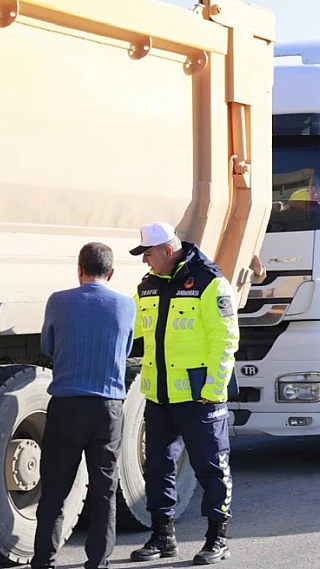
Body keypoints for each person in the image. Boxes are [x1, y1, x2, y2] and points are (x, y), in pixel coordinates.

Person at [127, 222, 238, 565]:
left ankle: (218, 538)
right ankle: (163, 537)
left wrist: (214, 389)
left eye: (147, 253)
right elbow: (129, 328)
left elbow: (226, 339)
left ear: (166, 249)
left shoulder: (208, 281)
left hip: (199, 394)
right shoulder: (147, 287)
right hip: (159, 395)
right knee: (158, 466)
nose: (145, 261)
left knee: (211, 466)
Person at [30, 243, 135, 569]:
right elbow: (126, 347)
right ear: (112, 272)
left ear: (79, 268)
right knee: (104, 491)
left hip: (67, 405)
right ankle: (98, 563)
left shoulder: (59, 301)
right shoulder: (125, 305)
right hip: (108, 408)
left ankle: (44, 562)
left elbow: (48, 345)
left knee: (55, 490)